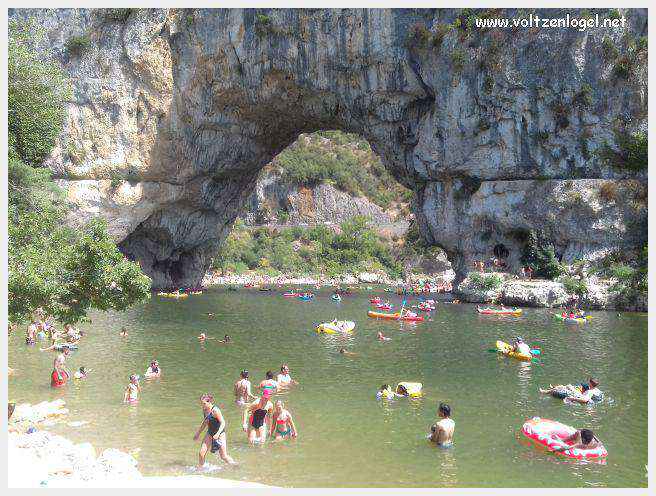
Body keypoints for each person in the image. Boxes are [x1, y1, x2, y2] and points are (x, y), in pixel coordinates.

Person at [193, 393, 236, 468]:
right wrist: (198, 433)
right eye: (201, 403)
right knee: (201, 453)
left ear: (209, 402)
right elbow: (205, 422)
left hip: (220, 434)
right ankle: (200, 469)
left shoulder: (215, 410)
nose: (202, 405)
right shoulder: (205, 410)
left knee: (223, 456)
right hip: (210, 433)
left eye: (204, 403)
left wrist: (218, 433)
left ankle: (235, 465)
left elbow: (223, 422)